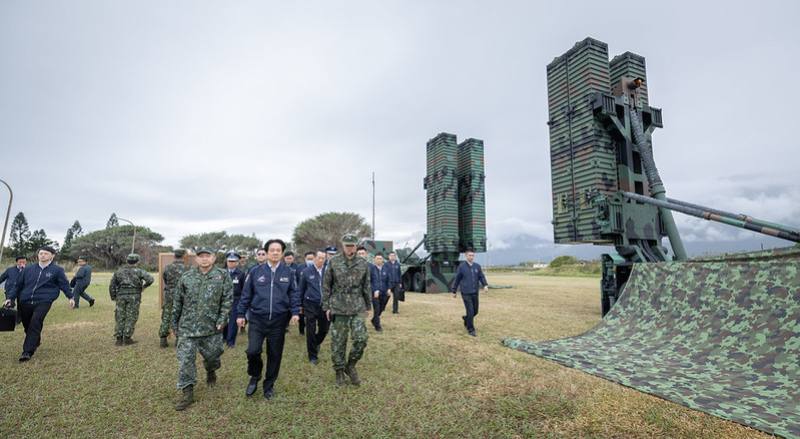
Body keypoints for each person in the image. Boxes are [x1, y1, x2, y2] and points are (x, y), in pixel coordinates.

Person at [237, 239, 301, 400]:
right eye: (271, 250)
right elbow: (246, 295)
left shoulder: (288, 273)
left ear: (282, 253)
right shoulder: (255, 272)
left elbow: (294, 293)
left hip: (279, 321)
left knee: (275, 354)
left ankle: (269, 385)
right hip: (258, 319)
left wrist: (294, 312)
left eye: (278, 250)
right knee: (253, 350)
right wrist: (240, 314)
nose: (275, 253)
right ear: (266, 253)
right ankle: (255, 374)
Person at [172, 247, 233, 411]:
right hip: (187, 328)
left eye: (208, 256)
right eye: (201, 256)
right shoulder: (186, 276)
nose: (204, 259)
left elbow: (227, 300)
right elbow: (177, 301)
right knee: (185, 360)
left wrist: (222, 320)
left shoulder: (222, 275)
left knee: (213, 356)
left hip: (211, 327)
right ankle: (187, 392)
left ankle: (211, 370)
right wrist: (174, 323)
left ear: (214, 258)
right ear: (196, 259)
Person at [4, 246, 75, 362]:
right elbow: (18, 285)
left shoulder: (57, 270)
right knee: (27, 325)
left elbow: (64, 285)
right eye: (41, 253)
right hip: (25, 301)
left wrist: (70, 297)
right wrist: (10, 298)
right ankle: (35, 340)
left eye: (46, 254)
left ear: (52, 256)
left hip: (44, 301)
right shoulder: (28, 269)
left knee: (36, 321)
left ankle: (27, 351)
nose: (42, 255)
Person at [322, 234, 371, 386]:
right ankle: (339, 371)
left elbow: (366, 285)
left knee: (361, 339)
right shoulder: (334, 261)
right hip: (338, 306)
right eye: (347, 245)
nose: (350, 248)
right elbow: (326, 285)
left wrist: (368, 306)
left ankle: (350, 366)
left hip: (357, 306)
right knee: (338, 341)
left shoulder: (363, 263)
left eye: (352, 245)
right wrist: (326, 306)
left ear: (356, 246)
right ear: (342, 246)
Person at [109, 253, 154, 345]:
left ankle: (119, 338)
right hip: (134, 296)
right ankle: (127, 337)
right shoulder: (139, 271)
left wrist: (113, 296)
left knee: (120, 316)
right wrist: (144, 287)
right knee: (131, 316)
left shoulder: (119, 271)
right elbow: (150, 279)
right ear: (137, 262)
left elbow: (112, 285)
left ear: (127, 261)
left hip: (121, 296)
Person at [298, 250, 329, 364]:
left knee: (324, 329)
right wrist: (300, 305)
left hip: (324, 305)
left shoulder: (328, 271)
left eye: (323, 258)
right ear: (314, 258)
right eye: (319, 258)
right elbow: (301, 289)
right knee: (310, 330)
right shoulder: (306, 272)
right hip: (310, 304)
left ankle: (315, 343)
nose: (321, 260)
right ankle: (312, 356)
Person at [451, 249, 488, 337]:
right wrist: (454, 290)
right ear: (466, 256)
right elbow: (457, 279)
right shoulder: (462, 267)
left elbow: (481, 276)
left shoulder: (477, 266)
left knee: (475, 311)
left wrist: (485, 285)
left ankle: (466, 318)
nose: (471, 257)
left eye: (472, 255)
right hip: (466, 292)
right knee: (470, 311)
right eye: (469, 255)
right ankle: (470, 329)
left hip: (475, 292)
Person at [160, 249, 188, 348]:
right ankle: (178, 339)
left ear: (174, 256)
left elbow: (165, 279)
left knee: (167, 315)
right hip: (183, 294)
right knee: (182, 316)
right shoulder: (187, 268)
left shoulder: (167, 267)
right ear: (184, 256)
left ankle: (163, 339)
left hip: (169, 294)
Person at [224, 251, 246, 348]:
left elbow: (244, 289)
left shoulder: (241, 274)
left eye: (234, 261)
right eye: (230, 261)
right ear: (227, 261)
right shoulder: (221, 273)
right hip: (223, 300)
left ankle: (230, 342)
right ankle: (223, 338)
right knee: (223, 320)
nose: (231, 263)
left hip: (235, 300)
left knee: (233, 321)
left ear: (237, 262)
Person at [369, 253, 391, 332]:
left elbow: (389, 280)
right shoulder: (371, 269)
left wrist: (389, 288)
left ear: (382, 260)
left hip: (384, 292)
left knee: (382, 308)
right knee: (377, 309)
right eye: (377, 258)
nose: (379, 260)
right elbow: (369, 282)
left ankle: (374, 319)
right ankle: (377, 326)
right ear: (374, 259)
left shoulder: (386, 269)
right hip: (375, 293)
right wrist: (375, 290)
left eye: (380, 258)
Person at [283, 251, 303, 335]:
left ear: (293, 258)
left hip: (294, 290)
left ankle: (300, 328)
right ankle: (285, 326)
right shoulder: (282, 267)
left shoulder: (297, 267)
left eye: (290, 258)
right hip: (284, 291)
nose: (289, 260)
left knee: (294, 308)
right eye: (287, 258)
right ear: (284, 259)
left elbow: (299, 279)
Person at [1, 255, 27, 323]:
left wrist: (24, 270)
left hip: (22, 291)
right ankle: (8, 318)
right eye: (20, 262)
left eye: (24, 262)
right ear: (17, 262)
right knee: (9, 304)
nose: (22, 263)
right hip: (10, 290)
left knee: (21, 305)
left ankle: (18, 319)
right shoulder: (10, 270)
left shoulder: (28, 270)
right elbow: (2, 278)